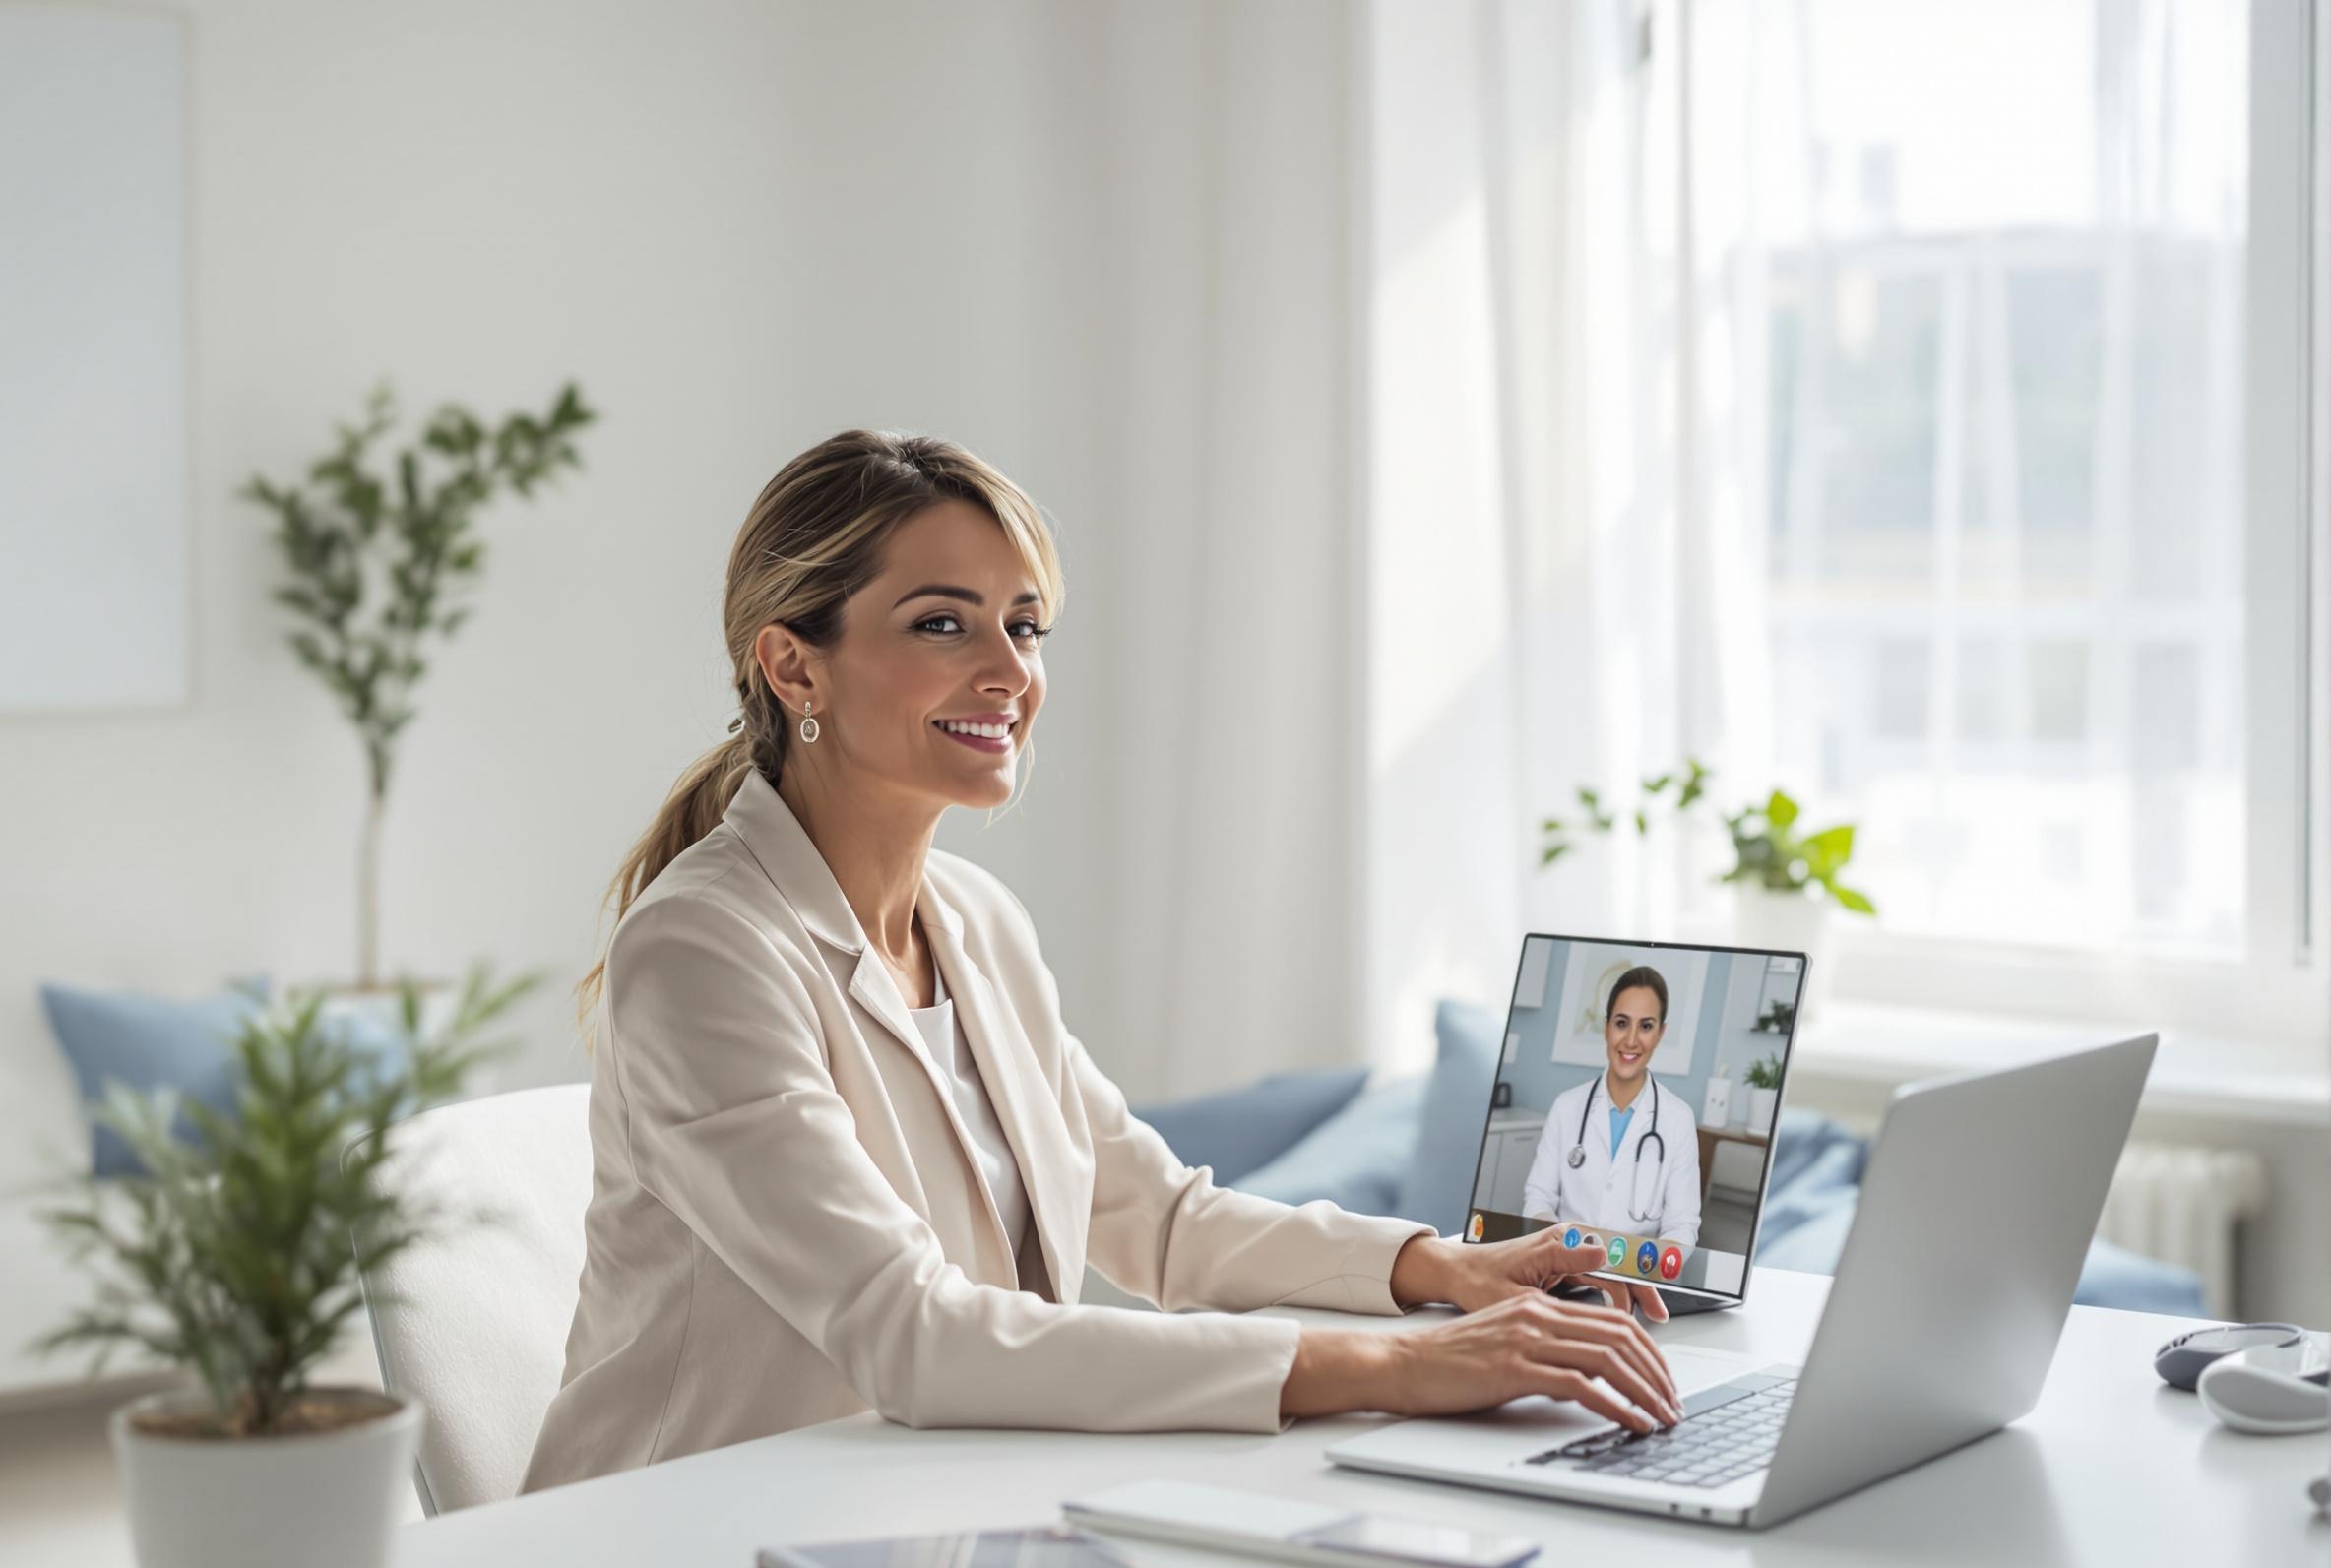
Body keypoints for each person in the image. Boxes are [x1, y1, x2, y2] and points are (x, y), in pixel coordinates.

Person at [521, 431, 1680, 1495]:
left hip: (928, 1508)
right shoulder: (702, 950)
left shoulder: (976, 924)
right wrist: (1395, 1365)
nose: (1008, 672)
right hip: (681, 1543)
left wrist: (1445, 1273)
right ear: (794, 668)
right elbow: (915, 1335)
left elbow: (1164, 1226)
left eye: (1023, 626)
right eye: (942, 623)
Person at [1521, 967, 1703, 1248]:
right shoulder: (1566, 1106)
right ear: (1607, 1027)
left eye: (1645, 1026)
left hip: (1634, 1277)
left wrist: (1648, 1272)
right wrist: (1557, 1249)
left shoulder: (1679, 1119)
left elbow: (1682, 1227)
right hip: (1563, 1268)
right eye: (1621, 1023)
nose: (1631, 1040)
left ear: (1659, 1033)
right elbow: (1539, 1197)